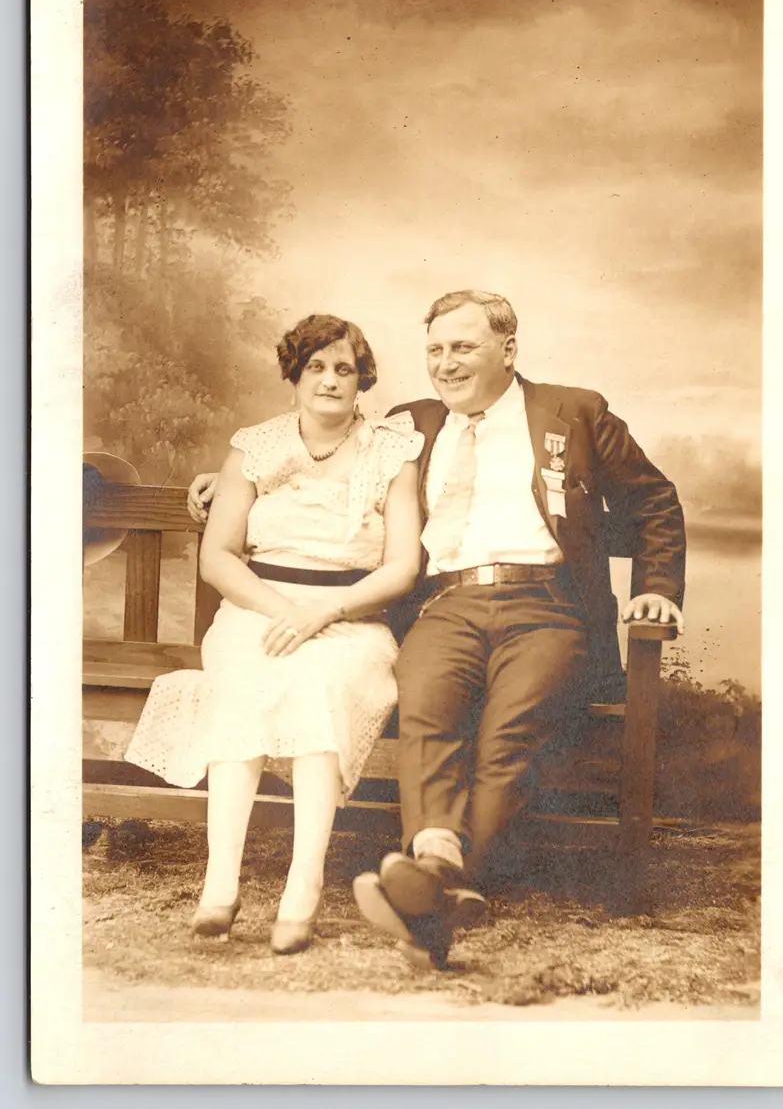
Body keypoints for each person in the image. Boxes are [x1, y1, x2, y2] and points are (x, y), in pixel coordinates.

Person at [187, 290, 686, 970]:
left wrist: (656, 588)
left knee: (506, 732)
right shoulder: (412, 423)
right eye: (435, 351)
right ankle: (437, 877)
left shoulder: (573, 411)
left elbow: (652, 498)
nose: (445, 365)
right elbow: (329, 448)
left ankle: (434, 873)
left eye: (463, 348)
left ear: (507, 351)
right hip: (445, 606)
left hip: (546, 607)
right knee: (425, 708)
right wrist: (227, 481)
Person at [127, 314, 423, 955]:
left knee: (319, 686)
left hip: (349, 620)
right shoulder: (254, 448)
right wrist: (278, 610)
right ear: (294, 375)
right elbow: (219, 556)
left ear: (362, 379)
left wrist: (325, 612)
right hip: (255, 613)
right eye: (315, 366)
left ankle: (303, 886)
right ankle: (220, 886)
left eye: (344, 368)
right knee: (243, 686)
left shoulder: (392, 450)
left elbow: (403, 564)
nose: (330, 380)